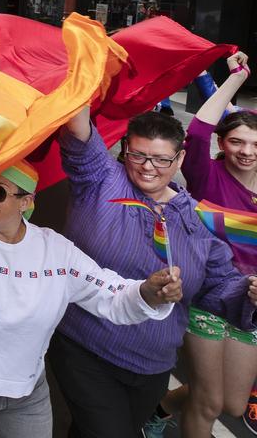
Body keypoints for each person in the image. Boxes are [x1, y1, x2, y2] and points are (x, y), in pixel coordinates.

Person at [0, 162, 181, 438]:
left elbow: (110, 292)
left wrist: (147, 292)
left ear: (25, 202)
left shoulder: (56, 251)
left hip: (26, 391)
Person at [50, 107, 257, 438]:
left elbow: (219, 290)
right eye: (138, 156)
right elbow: (77, 127)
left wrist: (249, 293)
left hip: (152, 364)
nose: (148, 167)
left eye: (161, 159)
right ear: (124, 150)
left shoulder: (198, 220)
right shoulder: (100, 179)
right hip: (85, 346)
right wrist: (82, 65)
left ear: (179, 159)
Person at [145, 52, 257, 437]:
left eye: (255, 144)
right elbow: (196, 132)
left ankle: (158, 408)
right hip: (206, 299)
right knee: (209, 404)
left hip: (250, 308)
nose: (247, 151)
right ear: (222, 144)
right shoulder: (207, 176)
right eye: (237, 142)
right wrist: (237, 78)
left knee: (231, 404)